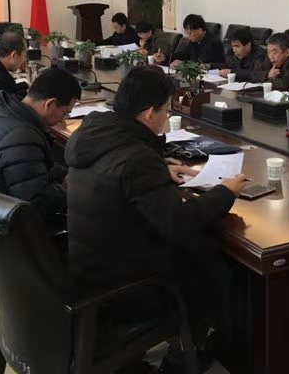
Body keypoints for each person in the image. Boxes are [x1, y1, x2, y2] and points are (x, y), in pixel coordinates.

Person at [65, 66, 247, 371]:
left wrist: (159, 168)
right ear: (149, 113)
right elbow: (178, 222)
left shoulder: (93, 135)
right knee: (214, 261)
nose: (167, 115)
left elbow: (121, 172)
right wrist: (225, 192)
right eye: (166, 109)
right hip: (126, 285)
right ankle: (186, 358)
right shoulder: (138, 159)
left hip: (89, 265)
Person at [0, 68, 80, 225]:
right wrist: (67, 188)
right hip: (10, 225)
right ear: (50, 104)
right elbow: (36, 204)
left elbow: (32, 165)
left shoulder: (4, 114)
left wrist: (65, 174)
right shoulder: (21, 137)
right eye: (65, 113)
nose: (63, 119)